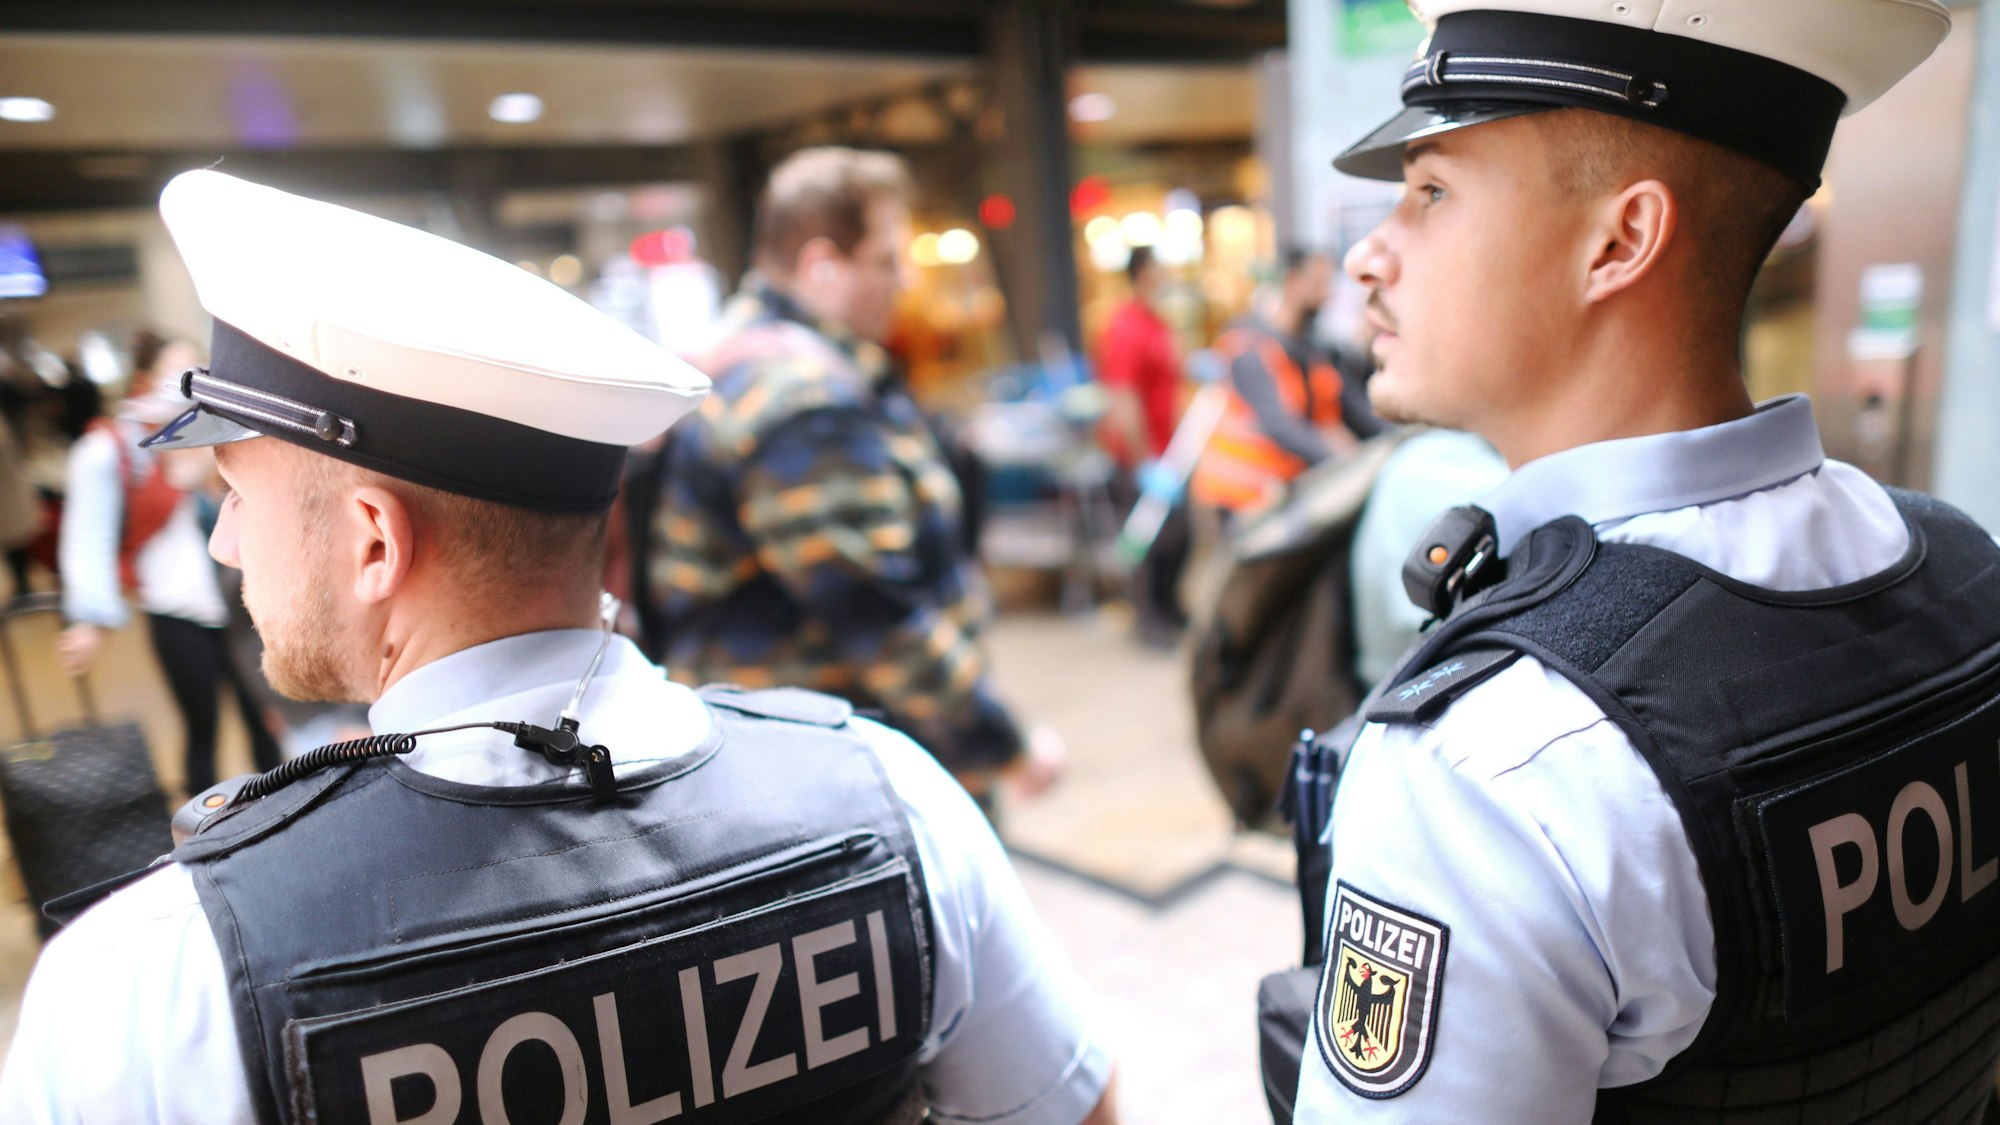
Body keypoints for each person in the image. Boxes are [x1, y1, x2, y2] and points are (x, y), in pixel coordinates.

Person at [0, 170, 1118, 1125]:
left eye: (237, 495)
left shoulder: (160, 978)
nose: (229, 544)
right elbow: (1079, 1103)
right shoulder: (892, 805)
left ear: (373, 540)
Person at [1286, 1, 1993, 1121]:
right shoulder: (1963, 575)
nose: (1368, 256)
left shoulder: (1494, 771)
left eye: (1428, 192)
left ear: (1620, 240)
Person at [647, 147, 1062, 806]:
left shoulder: (739, 348)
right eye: (886, 259)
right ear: (821, 264)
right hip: (842, 773)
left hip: (789, 754)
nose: (902, 280)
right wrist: (998, 743)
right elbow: (874, 611)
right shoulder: (802, 399)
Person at [54, 329, 281, 792]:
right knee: (203, 730)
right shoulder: (119, 448)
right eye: (175, 372)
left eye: (199, 369)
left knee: (267, 720)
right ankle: (201, 839)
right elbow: (90, 531)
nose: (189, 382)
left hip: (247, 603)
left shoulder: (235, 429)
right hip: (176, 611)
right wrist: (89, 617)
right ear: (145, 378)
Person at [1192, 248, 1355, 515]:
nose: (1327, 294)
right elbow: (1281, 425)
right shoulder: (1251, 346)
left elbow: (1343, 404)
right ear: (1293, 281)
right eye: (1319, 283)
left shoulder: (1306, 348)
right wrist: (1343, 460)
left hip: (1275, 491)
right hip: (1237, 493)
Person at [1096, 245, 1191, 642]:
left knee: (1181, 538)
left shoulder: (1158, 323)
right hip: (1142, 456)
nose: (1165, 275)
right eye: (1158, 268)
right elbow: (1123, 398)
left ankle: (1170, 608)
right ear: (1141, 273)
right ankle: (1148, 621)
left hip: (1172, 452)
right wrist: (1141, 462)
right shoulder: (1125, 326)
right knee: (1148, 544)